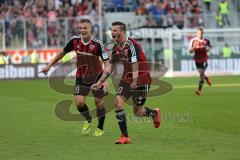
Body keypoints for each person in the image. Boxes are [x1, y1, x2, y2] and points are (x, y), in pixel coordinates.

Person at [91, 21, 160, 144]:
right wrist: (100, 82)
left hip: (141, 79)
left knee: (138, 111)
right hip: (126, 79)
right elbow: (110, 68)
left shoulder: (132, 45)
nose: (112, 32)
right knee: (118, 103)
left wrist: (134, 80)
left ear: (122, 32)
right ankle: (125, 137)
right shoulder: (116, 48)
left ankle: (153, 113)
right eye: (111, 30)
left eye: (115, 30)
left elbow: (135, 64)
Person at [40, 18, 111, 136]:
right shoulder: (74, 41)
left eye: (85, 28)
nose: (82, 30)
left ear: (91, 29)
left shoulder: (98, 44)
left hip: (97, 77)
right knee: (79, 103)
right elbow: (62, 53)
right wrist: (49, 66)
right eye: (80, 28)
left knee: (99, 103)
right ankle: (88, 119)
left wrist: (104, 80)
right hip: (81, 77)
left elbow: (107, 64)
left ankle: (100, 127)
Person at [189, 28, 212, 96]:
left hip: (204, 59)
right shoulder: (193, 40)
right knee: (202, 74)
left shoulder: (206, 41)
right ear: (196, 34)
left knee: (201, 74)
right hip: (197, 60)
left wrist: (208, 49)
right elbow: (190, 51)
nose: (200, 34)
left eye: (201, 33)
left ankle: (199, 90)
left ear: (203, 33)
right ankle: (207, 78)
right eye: (198, 33)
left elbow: (210, 47)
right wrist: (194, 48)